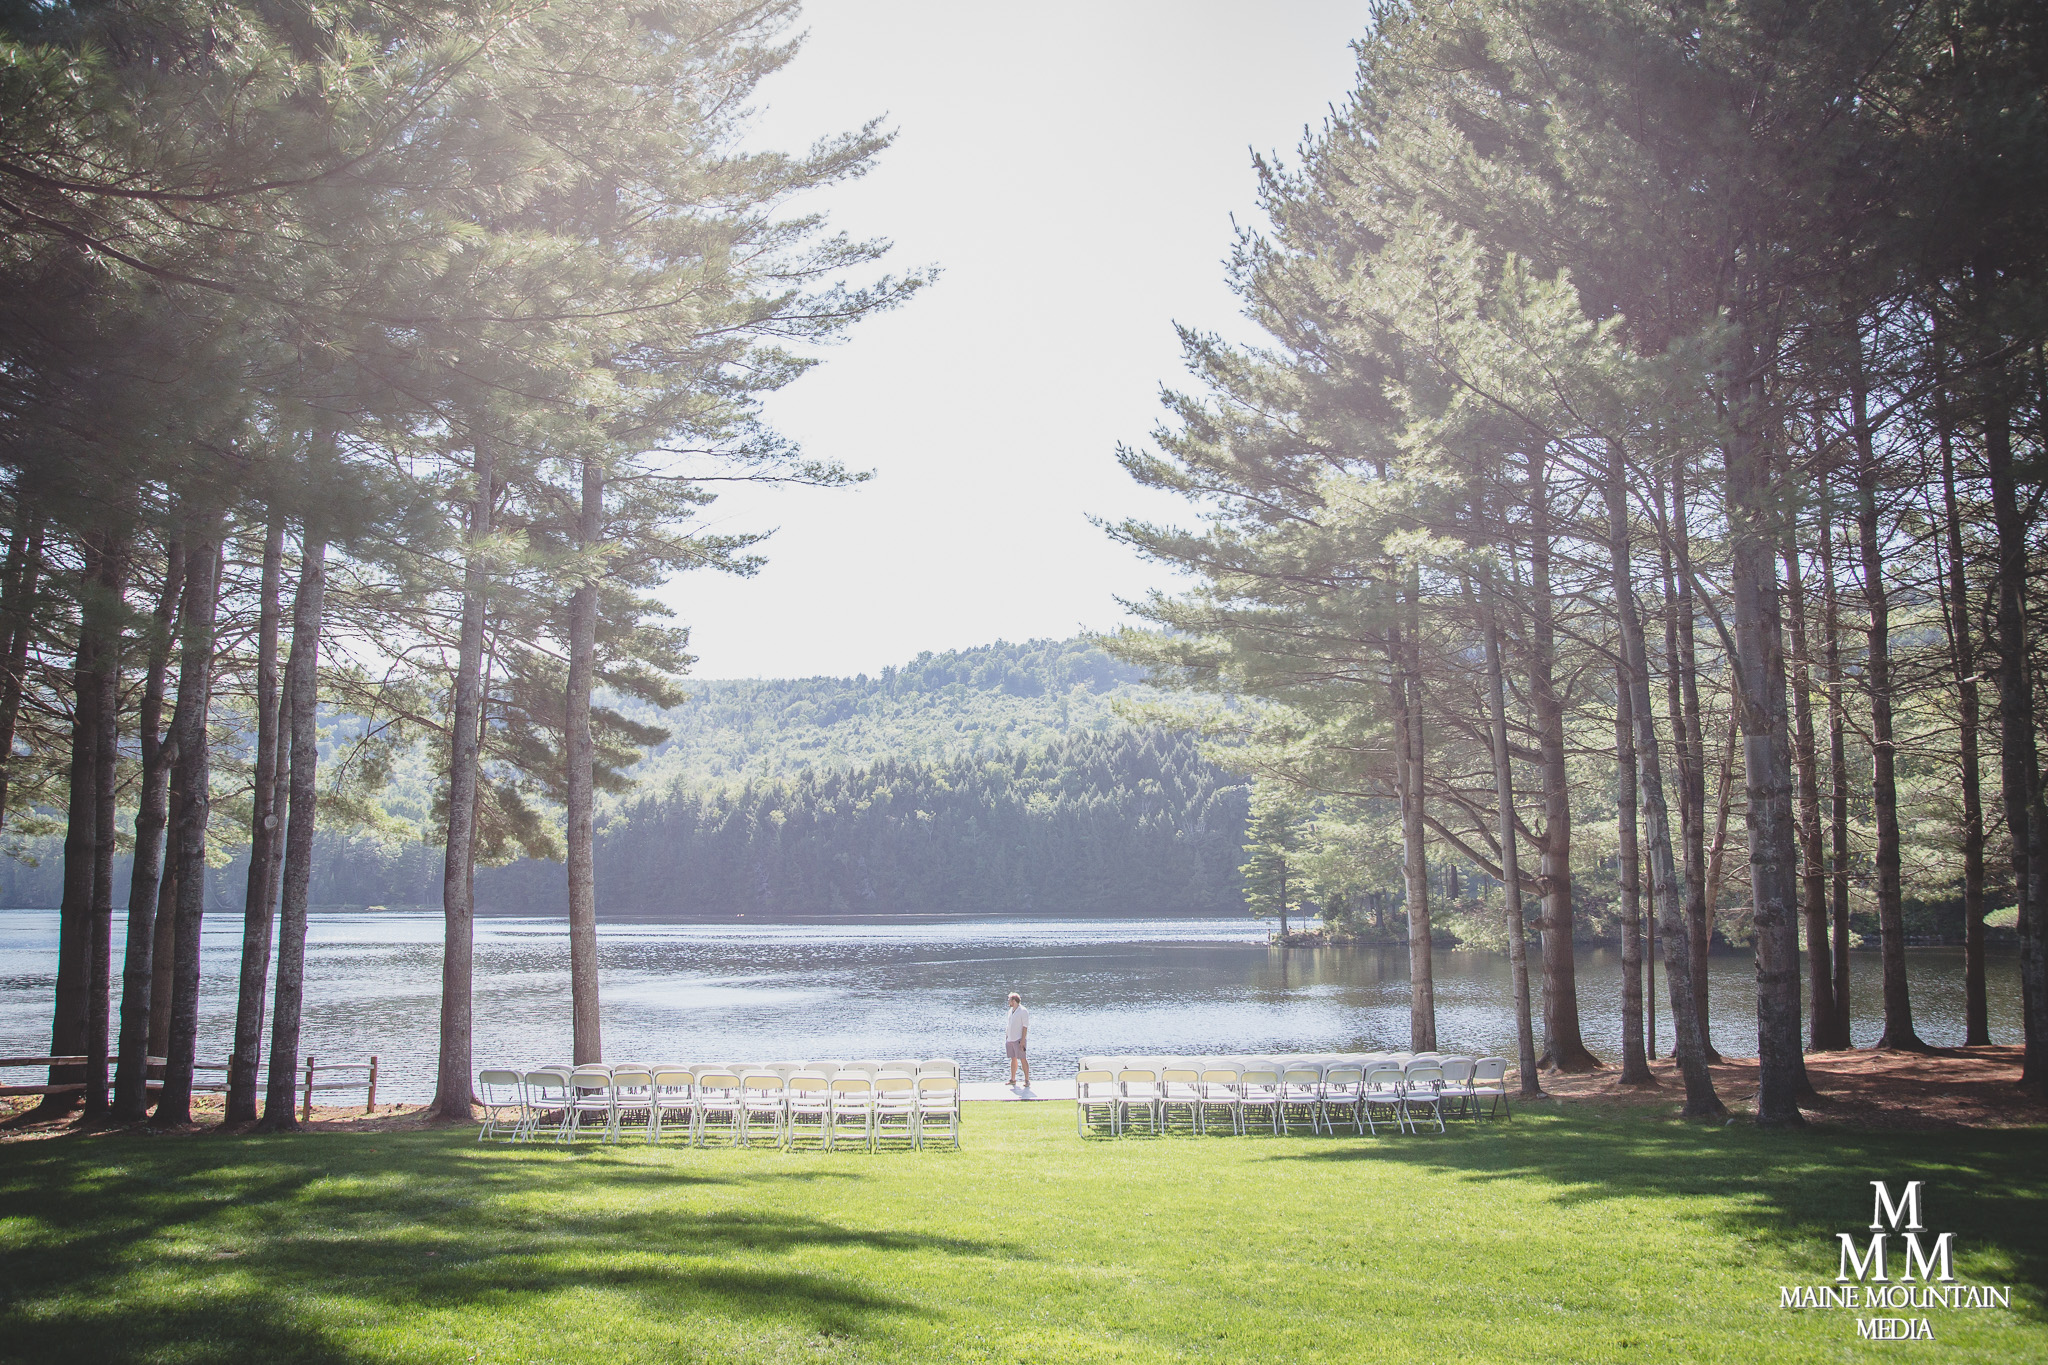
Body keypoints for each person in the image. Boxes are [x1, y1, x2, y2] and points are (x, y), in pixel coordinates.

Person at [1004, 991, 1031, 1088]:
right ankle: (1013, 1079)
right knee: (1013, 1058)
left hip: (1019, 1039)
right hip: (1010, 1039)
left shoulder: (1023, 1011)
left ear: (1014, 1000)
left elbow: (1025, 1026)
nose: (1008, 1001)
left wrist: (1023, 1040)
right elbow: (1009, 1025)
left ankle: (1027, 1080)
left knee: (1023, 1059)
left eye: (1009, 1000)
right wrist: (1007, 1036)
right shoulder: (1010, 1011)